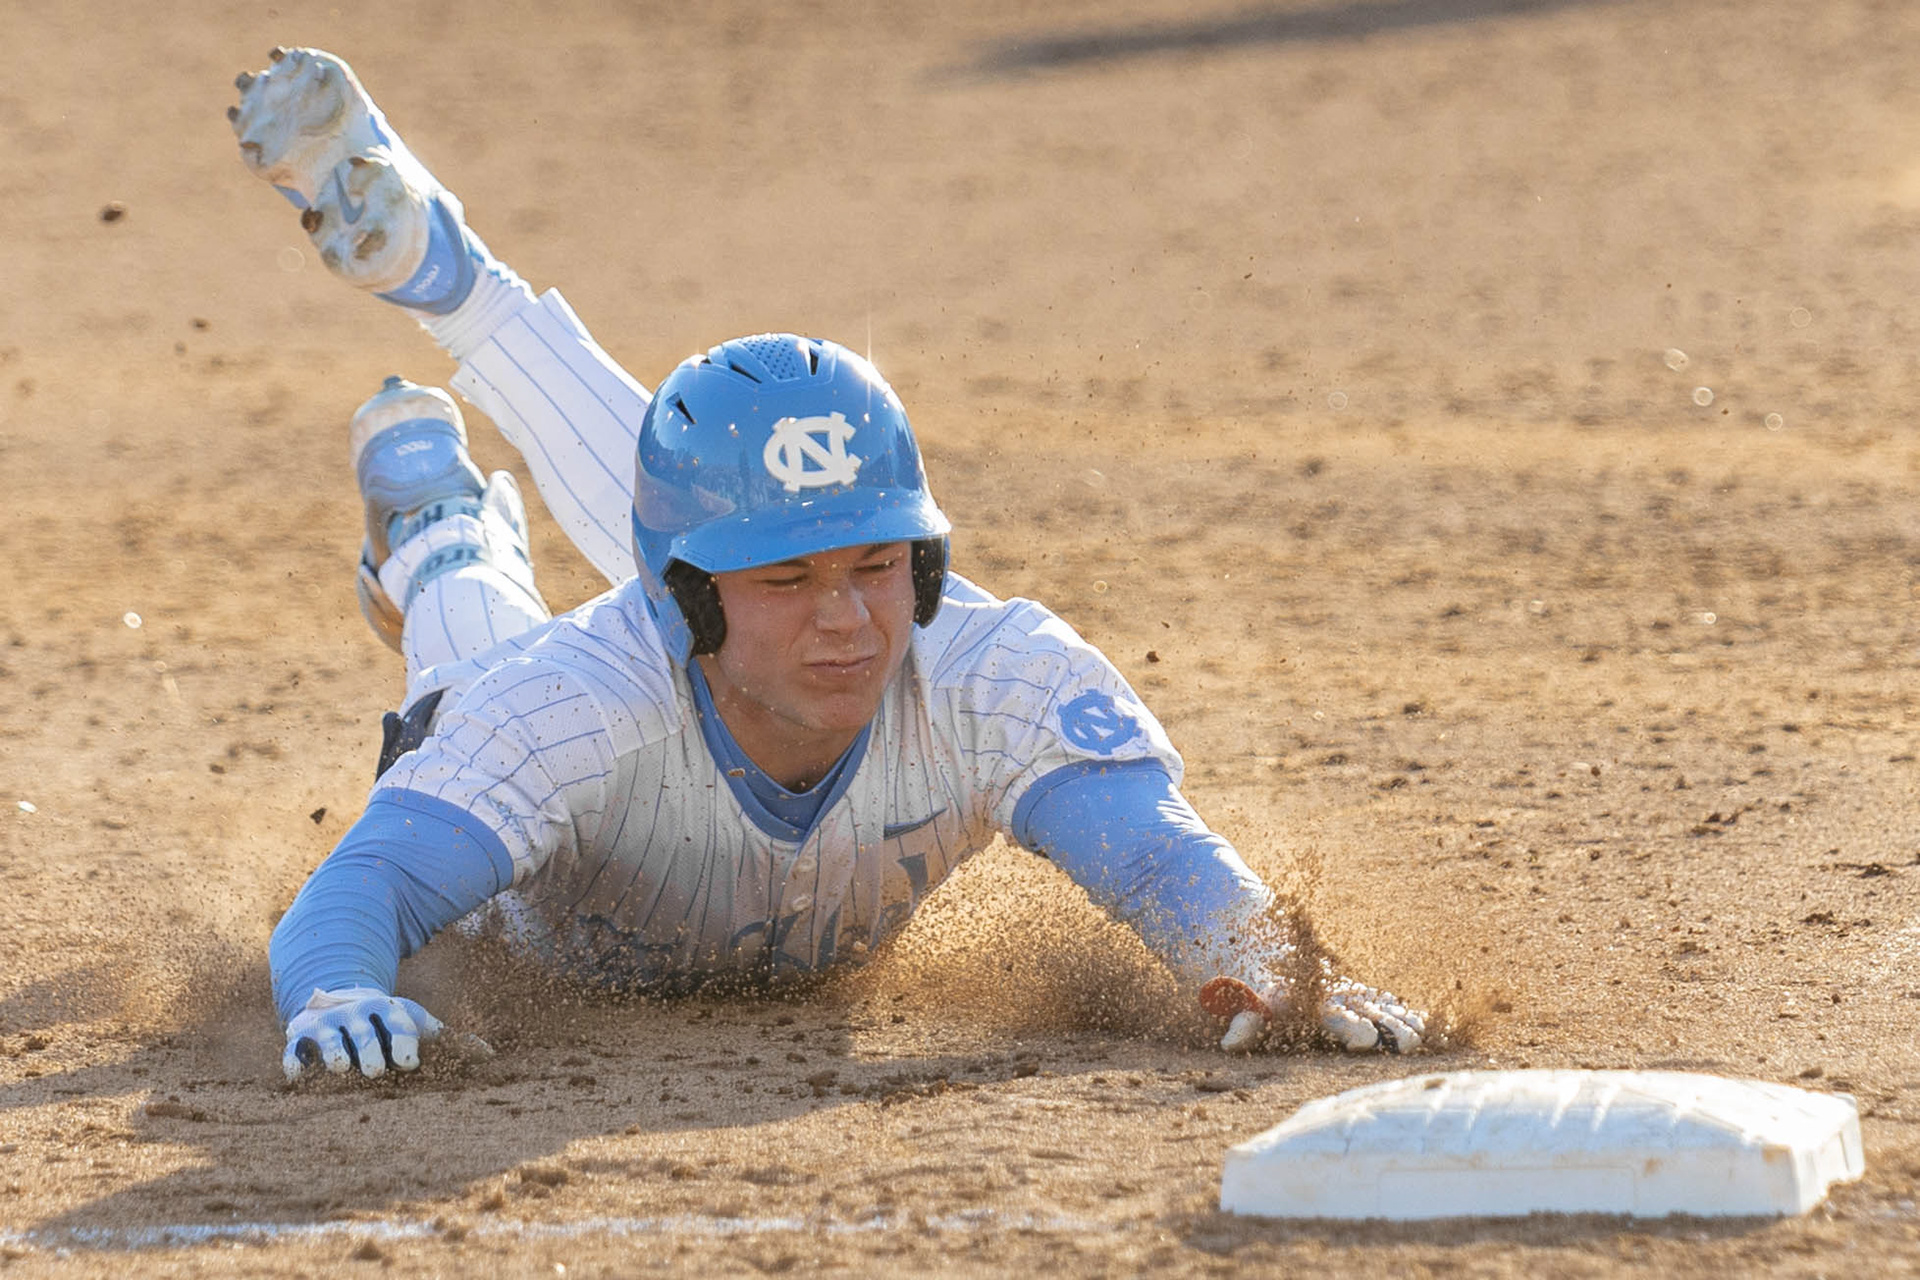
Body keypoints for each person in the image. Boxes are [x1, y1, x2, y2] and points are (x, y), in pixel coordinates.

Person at [229, 47, 1427, 1082]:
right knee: (469, 655)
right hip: (531, 863)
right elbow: (359, 890)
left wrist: (1265, 963)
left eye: (878, 562)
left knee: (743, 497)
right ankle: (439, 524)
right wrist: (336, 993)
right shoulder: (568, 702)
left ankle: (465, 304)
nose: (849, 619)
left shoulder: (988, 670)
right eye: (786, 584)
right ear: (680, 601)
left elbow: (1161, 852)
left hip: (657, 643)